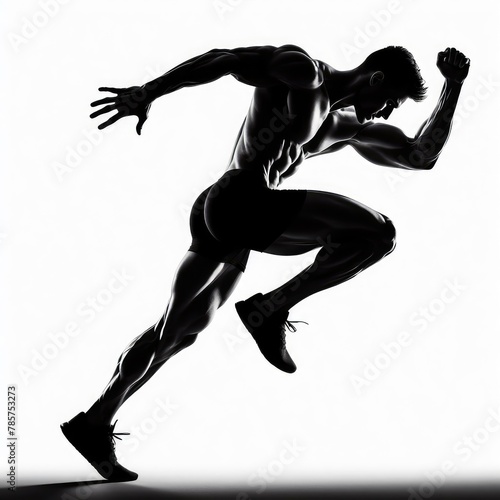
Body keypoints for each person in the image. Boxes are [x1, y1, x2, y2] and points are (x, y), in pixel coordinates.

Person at [60, 44, 469, 481]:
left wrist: (454, 87)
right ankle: (271, 309)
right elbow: (225, 60)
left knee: (177, 333)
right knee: (378, 234)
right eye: (391, 102)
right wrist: (149, 91)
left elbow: (419, 155)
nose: (387, 114)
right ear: (376, 78)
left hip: (223, 218)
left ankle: (95, 421)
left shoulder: (345, 126)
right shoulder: (305, 74)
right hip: (240, 199)